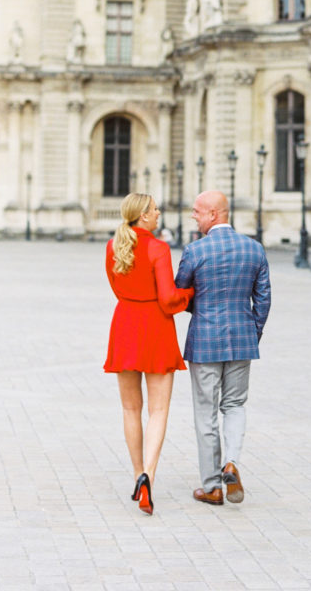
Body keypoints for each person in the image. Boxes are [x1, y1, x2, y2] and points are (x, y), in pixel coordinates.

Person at [175, 190, 271, 505]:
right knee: (235, 405)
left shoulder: (195, 251)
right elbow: (264, 298)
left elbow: (182, 293)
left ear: (214, 213)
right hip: (243, 339)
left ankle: (212, 486)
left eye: (197, 211)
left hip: (204, 340)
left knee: (205, 412)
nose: (193, 216)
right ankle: (232, 461)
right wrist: (251, 331)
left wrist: (200, 312)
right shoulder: (254, 249)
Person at [103, 193, 194, 515]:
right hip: (155, 327)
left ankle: (135, 472)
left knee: (130, 409)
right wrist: (191, 293)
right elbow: (169, 300)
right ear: (142, 216)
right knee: (158, 411)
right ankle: (149, 477)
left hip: (125, 324)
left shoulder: (114, 247)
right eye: (154, 210)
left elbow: (117, 288)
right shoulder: (158, 248)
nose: (158, 214)